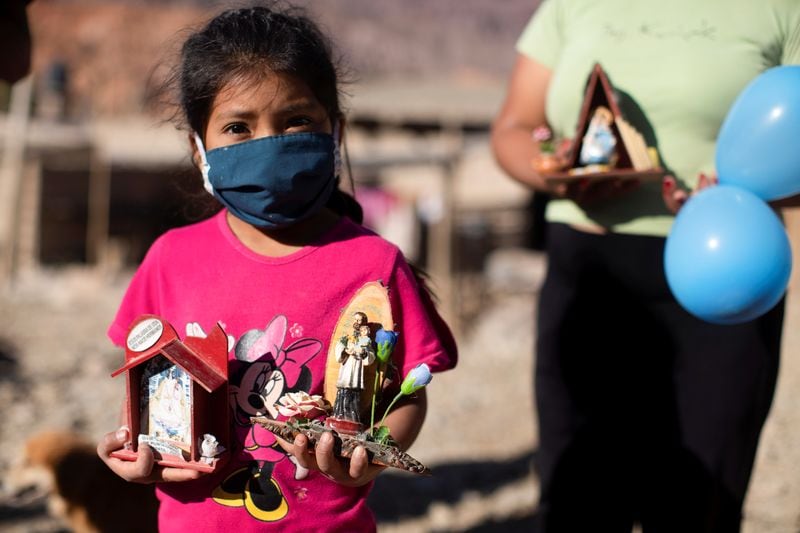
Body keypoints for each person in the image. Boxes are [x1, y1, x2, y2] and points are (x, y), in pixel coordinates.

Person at [96, 4, 457, 531]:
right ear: (200, 149)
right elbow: (146, 385)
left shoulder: (374, 265)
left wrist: (371, 457)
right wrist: (136, 446)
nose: (269, 147)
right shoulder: (170, 259)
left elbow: (407, 395)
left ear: (335, 132)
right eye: (238, 127)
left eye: (296, 121)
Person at [490, 1, 800, 531]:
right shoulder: (572, 5)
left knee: (698, 509)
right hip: (588, 279)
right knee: (577, 503)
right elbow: (513, 129)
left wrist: (739, 190)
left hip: (726, 280)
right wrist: (559, 175)